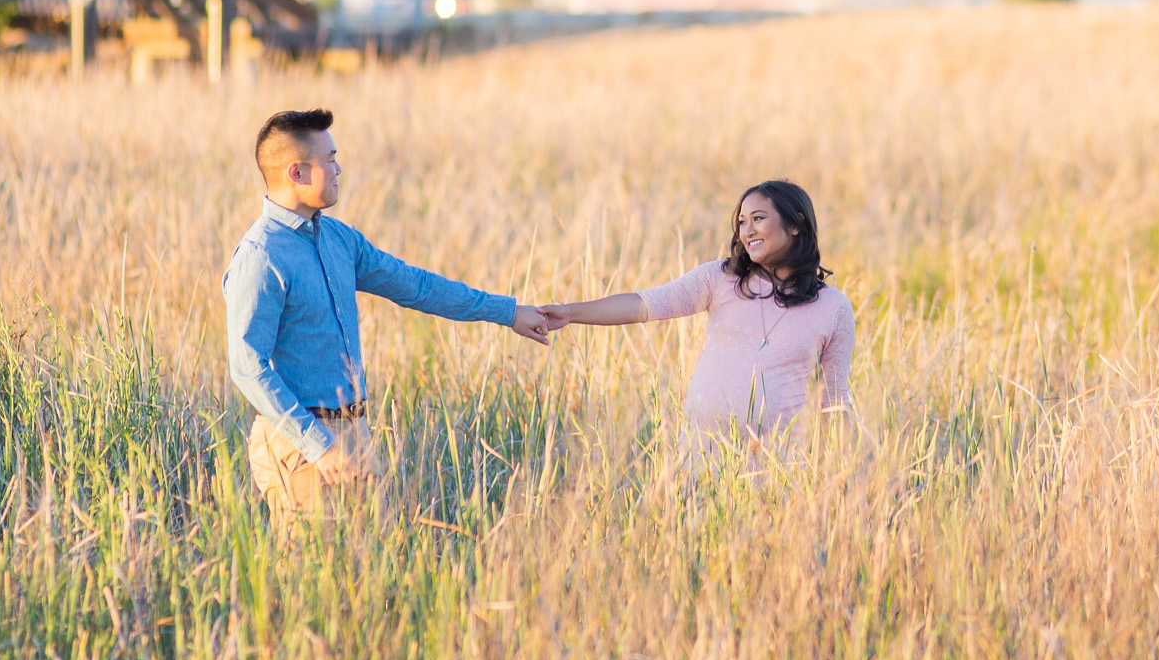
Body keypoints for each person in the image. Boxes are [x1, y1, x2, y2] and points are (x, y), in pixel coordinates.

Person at [224, 108, 551, 520]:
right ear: (297, 173)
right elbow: (247, 368)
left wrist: (507, 312)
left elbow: (417, 287)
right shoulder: (260, 256)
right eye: (329, 159)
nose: (338, 167)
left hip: (355, 432)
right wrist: (317, 444)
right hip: (298, 443)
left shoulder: (340, 240)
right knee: (311, 576)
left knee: (368, 573)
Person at [539, 180, 855, 454]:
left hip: (777, 471)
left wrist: (841, 488)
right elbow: (644, 305)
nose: (748, 230)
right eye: (742, 222)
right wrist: (570, 313)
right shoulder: (722, 278)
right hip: (701, 459)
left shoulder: (832, 308)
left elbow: (835, 404)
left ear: (796, 223)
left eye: (758, 218)